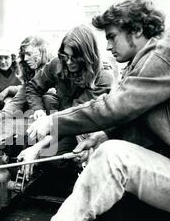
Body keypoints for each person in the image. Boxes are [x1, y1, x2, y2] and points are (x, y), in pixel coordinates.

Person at [7, 0, 170, 221]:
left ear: (136, 30)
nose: (107, 46)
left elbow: (112, 108)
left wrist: (51, 123)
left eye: (111, 36)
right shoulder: (152, 57)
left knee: (112, 157)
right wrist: (104, 135)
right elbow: (142, 115)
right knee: (104, 155)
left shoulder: (164, 55)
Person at [18, 25, 113, 181]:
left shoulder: (103, 78)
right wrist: (37, 110)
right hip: (61, 123)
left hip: (85, 127)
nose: (68, 62)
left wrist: (37, 147)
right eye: (65, 56)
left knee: (53, 159)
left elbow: (75, 119)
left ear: (87, 57)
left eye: (74, 58)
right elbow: (33, 87)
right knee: (37, 150)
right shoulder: (58, 64)